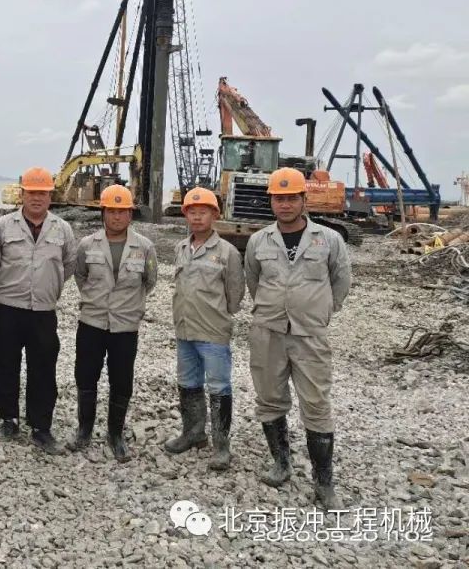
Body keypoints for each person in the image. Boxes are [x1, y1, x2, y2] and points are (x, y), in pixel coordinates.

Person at [245, 167, 351, 509]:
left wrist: (319, 311)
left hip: (310, 335)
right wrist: (274, 309)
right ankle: (281, 463)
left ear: (304, 199)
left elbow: (341, 281)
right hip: (268, 332)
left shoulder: (329, 239)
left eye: (292, 198)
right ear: (271, 202)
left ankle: (324, 482)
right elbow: (253, 281)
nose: (286, 205)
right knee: (269, 399)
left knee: (316, 404)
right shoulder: (259, 241)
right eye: (279, 199)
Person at [0, 167, 77, 454]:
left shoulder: (62, 229)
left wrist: (47, 286)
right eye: (31, 192)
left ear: (51, 196)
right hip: (7, 307)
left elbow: (68, 265)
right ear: (22, 194)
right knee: (4, 365)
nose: (37, 198)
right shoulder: (3, 226)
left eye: (43, 193)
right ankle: (8, 420)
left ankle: (41, 427)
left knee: (43, 369)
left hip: (43, 310)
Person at [69, 184, 157, 462]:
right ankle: (84, 431)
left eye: (122, 211)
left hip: (125, 326)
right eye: (111, 211)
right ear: (103, 213)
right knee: (86, 377)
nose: (117, 217)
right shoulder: (87, 244)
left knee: (121, 380)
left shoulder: (145, 247)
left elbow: (150, 281)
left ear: (130, 214)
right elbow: (80, 275)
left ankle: (115, 435)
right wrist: (97, 300)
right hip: (92, 322)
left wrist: (126, 304)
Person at [163, 187, 245, 471]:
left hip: (213, 332)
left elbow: (235, 295)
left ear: (214, 215)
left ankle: (221, 446)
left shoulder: (227, 252)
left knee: (219, 386)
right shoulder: (181, 248)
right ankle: (193, 433)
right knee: (188, 382)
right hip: (184, 330)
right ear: (185, 215)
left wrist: (217, 314)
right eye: (192, 212)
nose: (197, 217)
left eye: (203, 212)